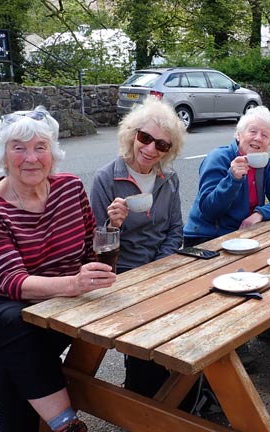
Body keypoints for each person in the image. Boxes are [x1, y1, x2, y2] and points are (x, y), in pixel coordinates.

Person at [0, 107, 117, 432]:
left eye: (40, 147)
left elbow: (90, 248)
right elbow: (14, 283)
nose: (31, 158)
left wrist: (110, 231)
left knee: (9, 365)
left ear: (53, 153)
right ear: (4, 155)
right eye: (19, 148)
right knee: (20, 325)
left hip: (52, 307)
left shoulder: (70, 189)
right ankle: (66, 423)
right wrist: (75, 284)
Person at [90, 97, 186, 400]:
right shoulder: (107, 178)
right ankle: (147, 395)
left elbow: (175, 230)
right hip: (122, 273)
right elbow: (94, 248)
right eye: (144, 138)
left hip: (163, 266)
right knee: (149, 324)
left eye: (161, 145)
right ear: (131, 134)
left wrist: (160, 266)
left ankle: (185, 388)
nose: (150, 149)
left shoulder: (168, 178)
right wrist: (113, 226)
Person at [183, 105, 270, 358]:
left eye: (264, 135)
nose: (257, 138)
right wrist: (232, 179)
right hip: (207, 237)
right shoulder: (220, 159)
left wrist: (260, 213)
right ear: (238, 135)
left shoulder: (264, 164)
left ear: (269, 143)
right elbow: (209, 209)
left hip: (242, 236)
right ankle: (234, 340)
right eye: (252, 131)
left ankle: (265, 323)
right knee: (235, 276)